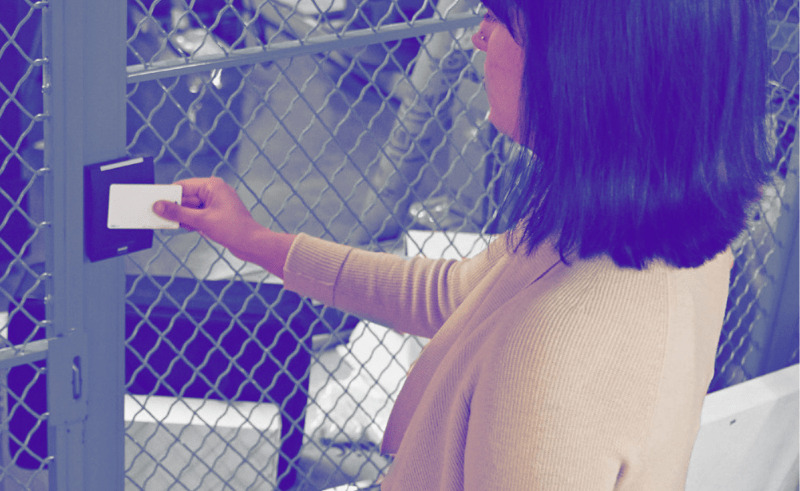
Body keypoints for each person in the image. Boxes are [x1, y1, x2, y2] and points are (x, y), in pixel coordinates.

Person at [154, 0, 771, 488]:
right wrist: (256, 241)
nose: (478, 36)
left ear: (589, 66)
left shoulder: (549, 358)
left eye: (500, 19)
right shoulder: (660, 238)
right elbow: (458, 293)